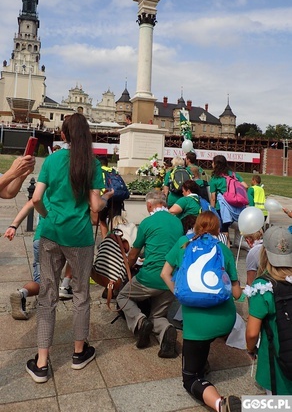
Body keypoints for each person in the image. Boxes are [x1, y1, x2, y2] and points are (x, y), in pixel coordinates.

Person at [25, 113, 114, 383]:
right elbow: (95, 207)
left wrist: (46, 214)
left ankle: (41, 362)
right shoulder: (92, 164)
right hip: (79, 236)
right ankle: (78, 352)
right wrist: (106, 197)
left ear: (63, 136)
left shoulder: (52, 160)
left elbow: (37, 197)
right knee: (81, 295)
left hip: (52, 233)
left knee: (47, 297)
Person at [161, 211, 242, 412]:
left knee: (190, 378)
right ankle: (202, 360)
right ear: (216, 229)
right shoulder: (222, 249)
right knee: (206, 340)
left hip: (197, 325)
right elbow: (237, 293)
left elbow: (164, 273)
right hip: (225, 320)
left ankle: (220, 404)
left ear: (196, 225)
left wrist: (180, 295)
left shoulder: (183, 243)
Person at [116, 191, 183, 358]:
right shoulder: (177, 223)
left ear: (149, 205)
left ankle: (139, 321)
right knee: (158, 315)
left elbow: (133, 254)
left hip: (150, 277)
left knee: (122, 296)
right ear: (165, 204)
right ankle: (166, 331)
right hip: (171, 280)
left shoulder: (147, 222)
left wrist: (127, 269)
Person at [246, 226, 292, 395]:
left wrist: (250, 349)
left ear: (264, 252)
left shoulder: (263, 287)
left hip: (276, 364)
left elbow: (252, 333)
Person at [209, 155, 248, 246]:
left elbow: (213, 197)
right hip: (236, 206)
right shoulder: (234, 174)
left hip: (222, 207)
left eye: (213, 162)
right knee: (233, 226)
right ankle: (231, 243)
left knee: (223, 230)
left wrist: (211, 210)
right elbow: (245, 186)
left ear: (216, 164)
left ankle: (226, 250)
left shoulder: (215, 178)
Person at [96, 156, 126, 239]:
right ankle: (116, 241)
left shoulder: (98, 171)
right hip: (116, 199)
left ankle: (104, 241)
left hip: (104, 198)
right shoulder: (113, 171)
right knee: (115, 221)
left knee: (102, 220)